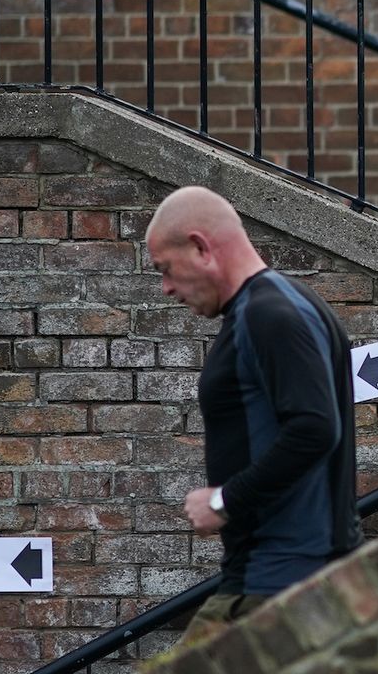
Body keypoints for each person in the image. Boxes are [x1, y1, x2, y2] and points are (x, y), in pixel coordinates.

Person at [144, 185, 364, 645]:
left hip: (280, 586)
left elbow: (315, 428)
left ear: (201, 247)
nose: (165, 288)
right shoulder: (286, 304)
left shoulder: (269, 314)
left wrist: (223, 501)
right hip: (273, 579)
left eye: (166, 269)